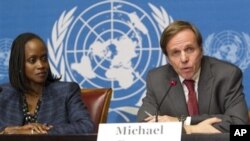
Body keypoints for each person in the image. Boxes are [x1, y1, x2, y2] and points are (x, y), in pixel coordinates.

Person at [137, 20, 249, 134]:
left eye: (189, 49)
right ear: (168, 58)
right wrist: (192, 128)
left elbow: (240, 126)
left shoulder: (227, 75)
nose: (184, 59)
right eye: (175, 52)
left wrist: (182, 122)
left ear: (201, 50)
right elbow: (144, 126)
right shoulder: (157, 79)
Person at [0, 32, 94, 134]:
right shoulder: (4, 94)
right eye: (32, 60)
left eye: (44, 59)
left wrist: (36, 133)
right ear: (19, 64)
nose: (41, 65)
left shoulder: (66, 91)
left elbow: (86, 126)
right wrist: (7, 131)